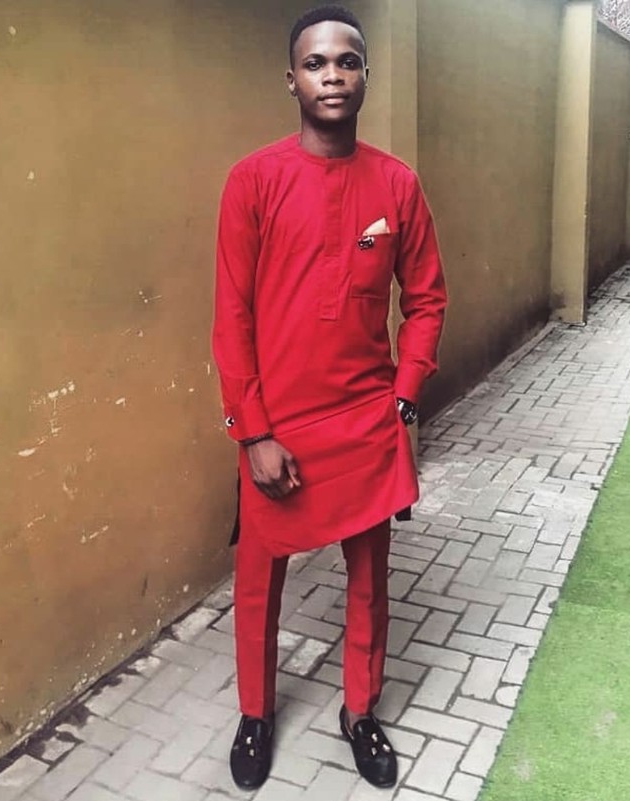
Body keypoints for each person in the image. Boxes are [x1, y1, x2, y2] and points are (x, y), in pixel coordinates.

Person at [212, 4, 447, 790]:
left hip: (365, 422)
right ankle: (254, 713)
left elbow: (428, 299)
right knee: (259, 582)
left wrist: (404, 394)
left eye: (347, 61)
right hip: (276, 427)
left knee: (370, 580)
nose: (333, 75)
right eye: (316, 63)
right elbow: (232, 317)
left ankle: (360, 709)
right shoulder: (253, 181)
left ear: (366, 75)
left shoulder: (397, 184)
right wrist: (253, 433)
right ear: (292, 80)